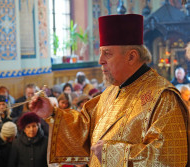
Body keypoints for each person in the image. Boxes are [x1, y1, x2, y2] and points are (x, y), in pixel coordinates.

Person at [30, 14, 189, 166]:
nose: (100, 60)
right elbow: (84, 130)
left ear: (131, 57)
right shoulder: (111, 92)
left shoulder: (164, 98)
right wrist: (52, 113)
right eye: (100, 53)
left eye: (107, 53)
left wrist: (112, 153)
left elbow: (169, 158)